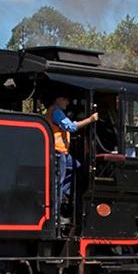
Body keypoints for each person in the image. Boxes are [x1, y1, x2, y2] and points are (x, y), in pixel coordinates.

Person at [47, 93, 99, 222]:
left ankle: (66, 193)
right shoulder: (56, 112)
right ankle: (55, 215)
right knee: (57, 183)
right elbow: (70, 127)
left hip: (63, 153)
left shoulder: (54, 111)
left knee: (78, 168)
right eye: (66, 99)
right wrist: (90, 120)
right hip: (58, 152)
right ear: (59, 98)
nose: (68, 102)